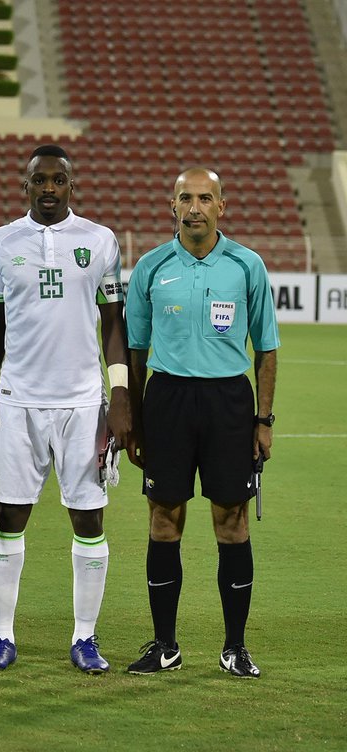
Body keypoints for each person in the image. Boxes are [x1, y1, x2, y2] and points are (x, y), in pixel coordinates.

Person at [0, 144, 131, 674]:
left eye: (58, 180)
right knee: (8, 515)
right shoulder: (0, 243)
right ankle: (1, 637)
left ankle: (85, 638)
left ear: (71, 185)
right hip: (18, 400)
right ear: (25, 186)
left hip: (85, 402)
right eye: (38, 180)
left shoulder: (99, 240)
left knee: (88, 519)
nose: (48, 188)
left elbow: (114, 324)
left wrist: (122, 397)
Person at [124, 168, 278, 679]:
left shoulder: (247, 265)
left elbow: (267, 348)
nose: (194, 207)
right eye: (185, 198)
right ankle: (165, 645)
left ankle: (235, 647)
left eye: (204, 198)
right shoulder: (150, 267)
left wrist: (263, 420)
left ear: (222, 206)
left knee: (231, 520)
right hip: (166, 399)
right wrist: (138, 420)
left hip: (229, 403)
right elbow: (136, 351)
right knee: (164, 517)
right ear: (171, 206)